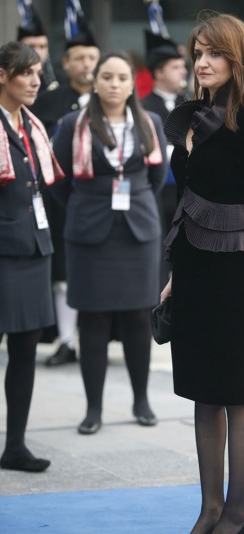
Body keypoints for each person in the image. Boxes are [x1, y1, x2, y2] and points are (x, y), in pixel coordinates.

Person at [160, 12, 244, 534]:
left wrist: (240, 231)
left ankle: (238, 511)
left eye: (214, 53)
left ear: (238, 59)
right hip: (190, 262)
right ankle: (209, 509)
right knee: (202, 388)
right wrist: (173, 277)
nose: (202, 62)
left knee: (234, 388)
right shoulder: (190, 116)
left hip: (234, 265)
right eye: (198, 52)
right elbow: (181, 194)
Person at [50, 51, 167, 434]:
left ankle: (141, 400)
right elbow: (60, 180)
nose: (114, 84)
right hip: (89, 231)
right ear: (95, 82)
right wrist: (90, 204)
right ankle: (93, 409)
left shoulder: (150, 122)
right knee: (94, 319)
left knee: (138, 315)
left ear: (133, 84)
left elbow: (156, 177)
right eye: (107, 77)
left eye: (121, 78)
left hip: (138, 230)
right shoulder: (73, 123)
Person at [0, 41, 64, 471]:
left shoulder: (33, 126)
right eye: (26, 73)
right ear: (2, 76)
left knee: (25, 348)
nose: (35, 81)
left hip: (34, 248)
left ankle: (15, 446)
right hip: (3, 252)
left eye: (38, 73)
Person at [31, 0, 101, 366]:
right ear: (67, 62)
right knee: (62, 271)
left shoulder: (112, 101)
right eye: (79, 58)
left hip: (102, 197)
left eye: (92, 56)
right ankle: (66, 339)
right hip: (61, 197)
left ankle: (96, 338)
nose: (87, 64)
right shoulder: (48, 102)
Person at [141, 32, 190, 287]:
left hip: (189, 191)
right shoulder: (143, 107)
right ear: (158, 73)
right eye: (176, 67)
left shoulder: (191, 103)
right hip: (160, 193)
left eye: (183, 66)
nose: (183, 71)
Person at [14, 0, 61, 94]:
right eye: (31, 46)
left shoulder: (61, 81)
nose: (37, 52)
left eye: (42, 46)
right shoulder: (8, 80)